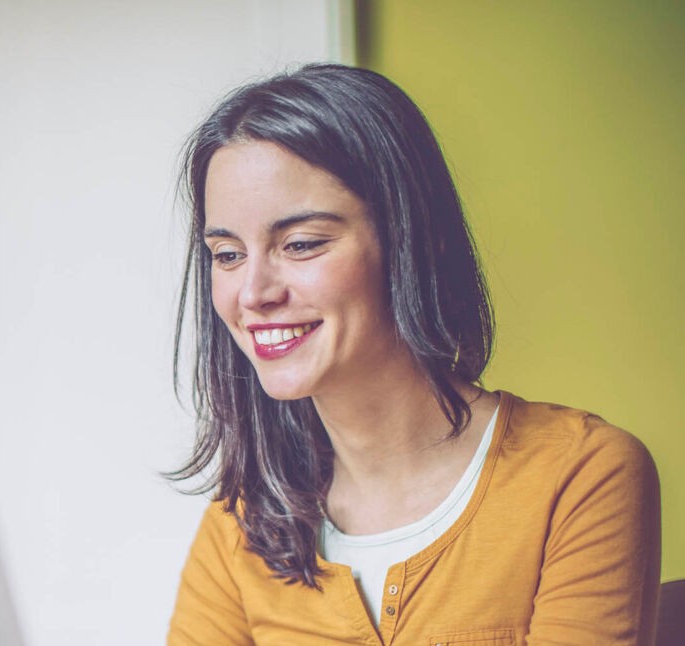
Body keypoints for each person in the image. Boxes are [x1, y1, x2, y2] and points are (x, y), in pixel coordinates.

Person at [166, 64, 661, 645]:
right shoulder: (239, 525)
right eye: (227, 255)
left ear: (413, 238)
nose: (252, 294)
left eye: (301, 245)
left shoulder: (581, 474)